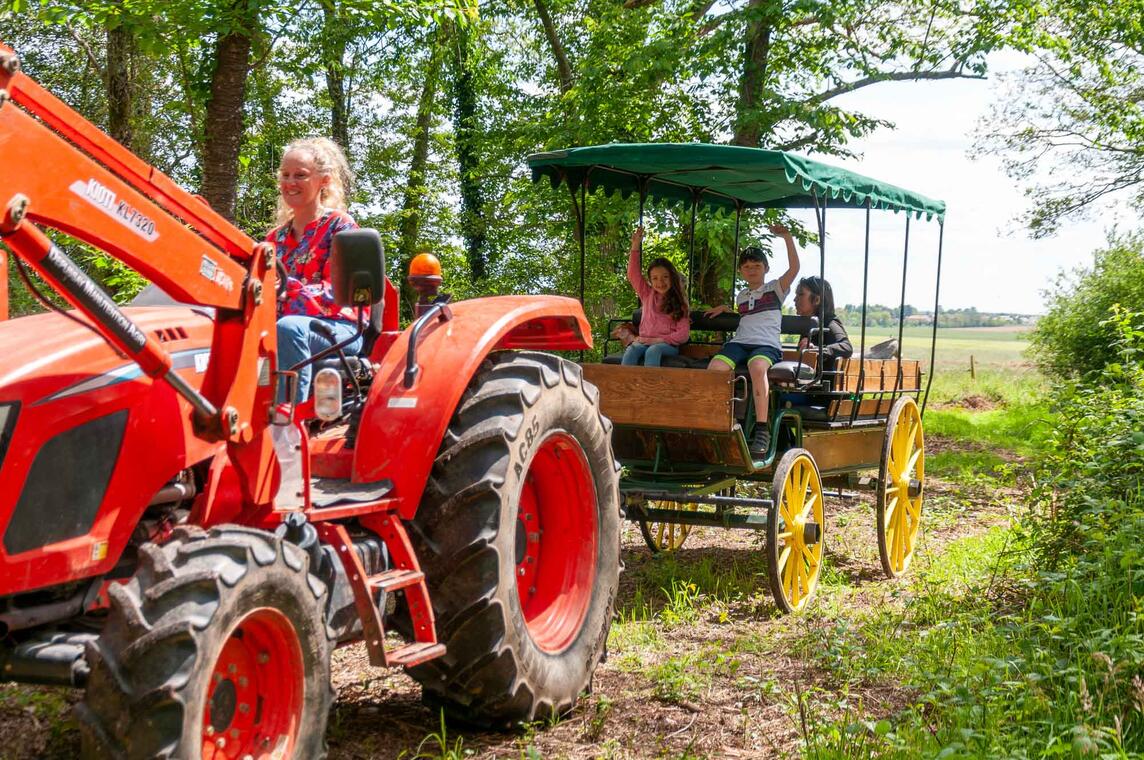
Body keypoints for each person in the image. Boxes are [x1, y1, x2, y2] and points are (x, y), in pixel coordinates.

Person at [270, 136, 361, 402]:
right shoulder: (273, 239)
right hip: (278, 325)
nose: (290, 182)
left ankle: (288, 422)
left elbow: (338, 295)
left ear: (324, 180)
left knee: (289, 329)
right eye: (285, 174)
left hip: (338, 327)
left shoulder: (341, 228)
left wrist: (285, 291)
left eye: (300, 175)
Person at [705, 224, 801, 457]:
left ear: (766, 268)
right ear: (741, 271)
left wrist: (787, 236)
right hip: (740, 342)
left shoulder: (776, 288)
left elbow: (795, 268)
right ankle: (716, 420)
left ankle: (761, 429)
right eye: (747, 267)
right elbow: (745, 315)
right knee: (715, 367)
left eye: (757, 266)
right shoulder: (741, 295)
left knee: (757, 367)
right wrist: (726, 308)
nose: (752, 270)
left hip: (765, 344)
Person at [621, 226, 690, 366]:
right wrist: (635, 246)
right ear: (650, 281)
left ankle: (651, 387)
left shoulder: (679, 302)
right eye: (655, 278)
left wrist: (659, 339)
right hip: (644, 342)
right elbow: (633, 275)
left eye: (665, 277)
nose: (661, 282)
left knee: (653, 350)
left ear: (672, 278)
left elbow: (683, 335)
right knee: (632, 350)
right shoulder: (647, 294)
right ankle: (624, 385)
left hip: (665, 345)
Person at [793, 276, 853, 378]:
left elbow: (846, 347)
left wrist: (817, 349)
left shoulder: (830, 323)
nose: (795, 299)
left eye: (800, 294)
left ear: (816, 300)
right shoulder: (807, 324)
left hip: (821, 388)